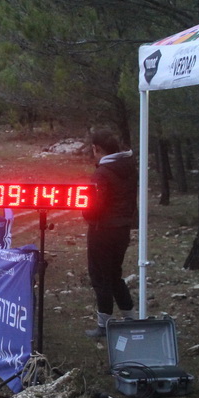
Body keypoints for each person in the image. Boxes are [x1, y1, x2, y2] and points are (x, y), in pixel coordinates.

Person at [82, 129, 137, 337]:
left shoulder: (102, 173)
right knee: (115, 275)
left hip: (102, 230)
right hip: (122, 230)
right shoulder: (129, 168)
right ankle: (130, 318)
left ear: (97, 148)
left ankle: (103, 325)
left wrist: (86, 212)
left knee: (100, 276)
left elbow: (95, 206)